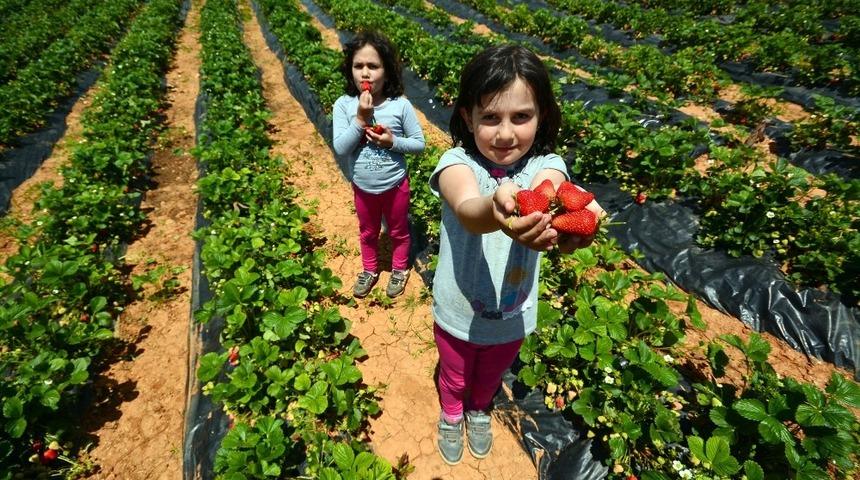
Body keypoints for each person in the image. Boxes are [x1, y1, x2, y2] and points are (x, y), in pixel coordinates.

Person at [428, 44, 603, 465]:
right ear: (467, 117)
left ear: (541, 115)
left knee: (490, 373)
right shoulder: (457, 165)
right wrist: (497, 208)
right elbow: (470, 210)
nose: (505, 133)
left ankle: (478, 409)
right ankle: (452, 411)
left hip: (513, 312)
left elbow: (555, 187)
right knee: (454, 372)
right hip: (458, 308)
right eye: (490, 117)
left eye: (521, 117)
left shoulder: (545, 167)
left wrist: (583, 218)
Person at [333, 31, 425, 299]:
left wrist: (391, 142)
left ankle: (399, 269)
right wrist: (360, 120)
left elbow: (419, 144)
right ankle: (370, 269)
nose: (365, 73)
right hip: (362, 187)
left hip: (395, 185)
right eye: (358, 66)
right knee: (368, 231)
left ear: (387, 71)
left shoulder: (400, 106)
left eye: (373, 66)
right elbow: (341, 147)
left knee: (398, 231)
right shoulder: (344, 106)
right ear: (349, 69)